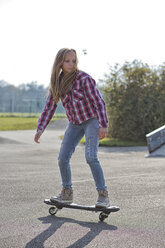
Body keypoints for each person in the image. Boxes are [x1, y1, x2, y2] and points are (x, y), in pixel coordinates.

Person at [34, 48, 110, 207]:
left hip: (92, 120)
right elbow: (49, 107)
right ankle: (67, 193)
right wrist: (40, 128)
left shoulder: (84, 79)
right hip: (75, 123)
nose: (71, 64)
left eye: (74, 61)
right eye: (67, 61)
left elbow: (99, 102)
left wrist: (103, 124)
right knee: (62, 158)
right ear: (60, 62)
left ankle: (103, 195)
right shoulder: (58, 82)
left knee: (91, 157)